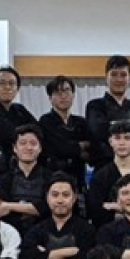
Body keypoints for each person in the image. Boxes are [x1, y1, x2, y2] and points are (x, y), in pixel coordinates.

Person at [85, 54, 130, 170]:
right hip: (104, 168)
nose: (118, 79)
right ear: (106, 77)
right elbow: (99, 130)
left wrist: (113, 124)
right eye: (114, 74)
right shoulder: (95, 106)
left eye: (123, 75)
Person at [86, 119, 130, 229]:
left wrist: (114, 207)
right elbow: (96, 212)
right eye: (117, 138)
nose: (122, 143)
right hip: (107, 233)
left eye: (127, 138)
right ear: (110, 141)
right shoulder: (100, 177)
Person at [38, 75, 91, 208]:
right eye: (57, 92)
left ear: (73, 95)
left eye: (67, 91)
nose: (63, 96)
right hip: (53, 178)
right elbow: (59, 148)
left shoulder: (81, 122)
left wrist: (70, 147)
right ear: (50, 98)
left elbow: (91, 149)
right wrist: (79, 147)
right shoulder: (45, 121)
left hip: (78, 178)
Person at [0, 65, 38, 174]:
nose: (7, 87)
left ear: (17, 88)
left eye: (11, 83)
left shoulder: (20, 110)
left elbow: (37, 131)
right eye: (2, 83)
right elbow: (7, 133)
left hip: (20, 168)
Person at [0, 123, 51, 238]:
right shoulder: (3, 179)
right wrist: (30, 209)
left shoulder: (50, 177)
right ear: (14, 148)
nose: (28, 147)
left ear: (40, 148)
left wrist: (10, 206)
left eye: (33, 143)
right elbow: (0, 208)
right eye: (23, 143)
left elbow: (46, 207)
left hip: (44, 233)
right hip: (10, 233)